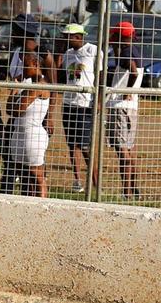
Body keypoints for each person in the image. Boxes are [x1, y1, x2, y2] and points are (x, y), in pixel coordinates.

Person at [105, 21, 142, 199]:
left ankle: (126, 192)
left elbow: (133, 72)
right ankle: (134, 190)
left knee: (122, 151)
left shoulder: (126, 54)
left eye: (113, 36)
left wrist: (127, 90)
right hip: (131, 107)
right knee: (129, 148)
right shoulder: (133, 50)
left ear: (119, 37)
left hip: (120, 107)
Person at [7, 53, 52, 197]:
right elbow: (9, 110)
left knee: (37, 176)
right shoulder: (27, 85)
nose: (22, 69)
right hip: (19, 134)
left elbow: (18, 109)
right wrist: (14, 92)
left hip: (32, 136)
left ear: (35, 64)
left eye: (25, 66)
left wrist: (15, 93)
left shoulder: (39, 86)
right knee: (24, 177)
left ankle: (43, 208)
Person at [59, 23, 96, 192]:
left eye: (69, 36)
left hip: (84, 104)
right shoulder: (67, 54)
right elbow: (63, 76)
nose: (66, 39)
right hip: (69, 104)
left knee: (86, 146)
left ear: (78, 37)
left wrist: (99, 101)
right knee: (72, 145)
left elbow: (101, 77)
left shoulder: (93, 51)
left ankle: (95, 184)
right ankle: (78, 180)